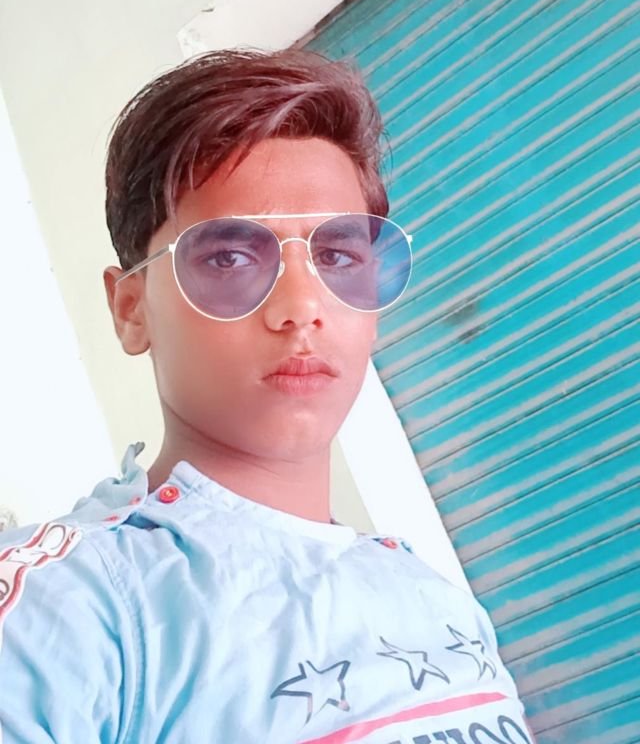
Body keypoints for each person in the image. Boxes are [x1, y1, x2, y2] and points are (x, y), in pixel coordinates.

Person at [0, 49, 533, 743]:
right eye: (228, 257)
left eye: (337, 256)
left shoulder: (434, 596)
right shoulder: (66, 610)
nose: (302, 306)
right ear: (131, 309)